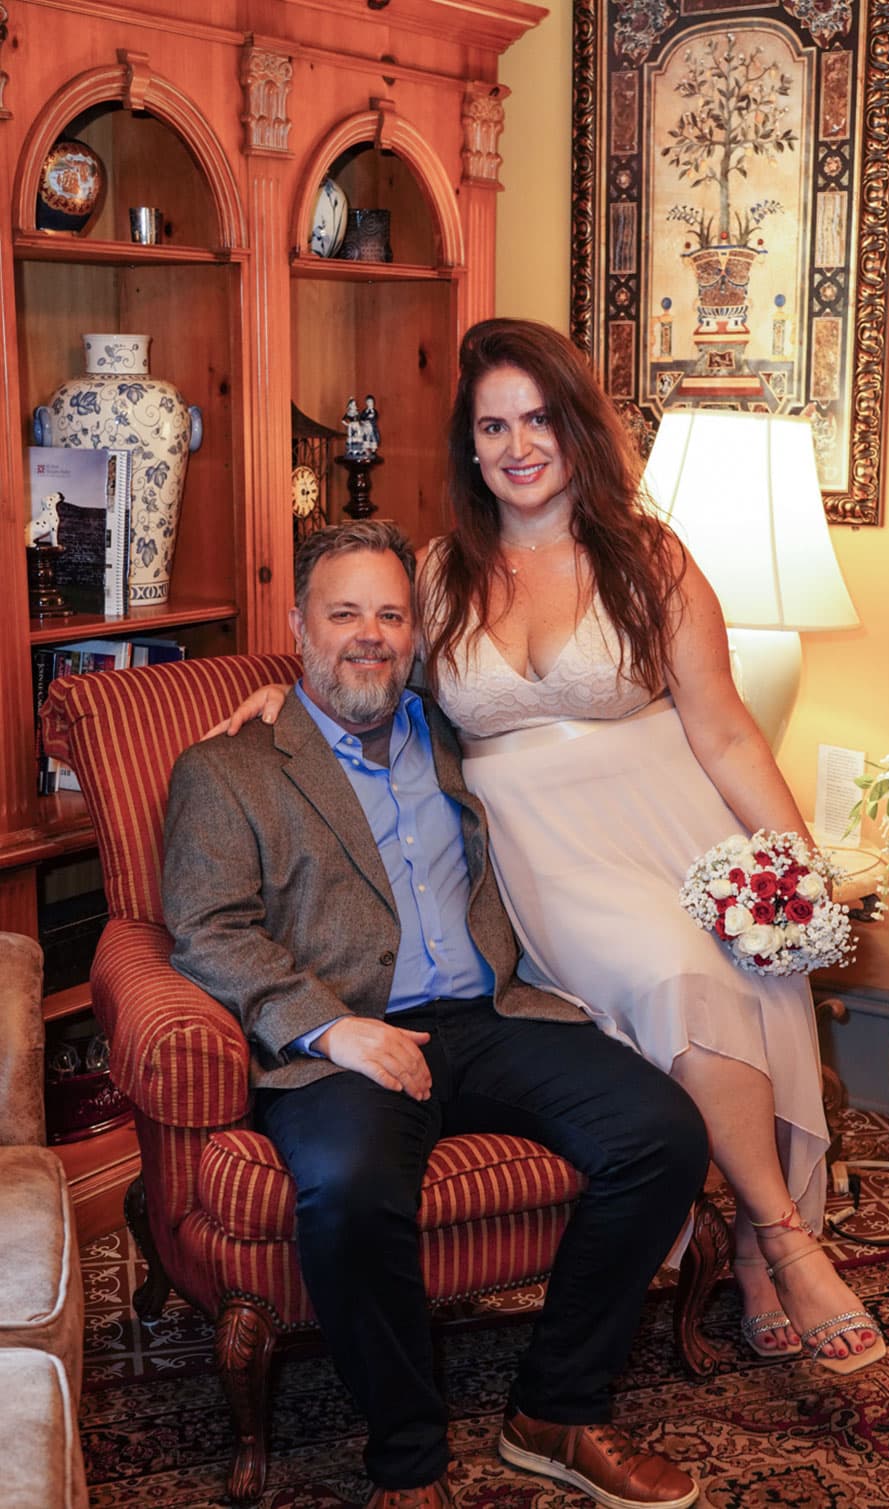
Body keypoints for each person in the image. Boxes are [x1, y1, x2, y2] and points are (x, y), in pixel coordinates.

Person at [223, 320, 886, 1376]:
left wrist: (791, 865)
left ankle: (765, 1245)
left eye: (537, 417)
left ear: (576, 427)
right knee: (671, 975)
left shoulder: (651, 559)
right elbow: (365, 674)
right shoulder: (439, 574)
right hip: (537, 854)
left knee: (718, 977)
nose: (517, 444)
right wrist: (279, 697)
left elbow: (721, 727)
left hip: (668, 821)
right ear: (470, 447)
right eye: (492, 425)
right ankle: (785, 1238)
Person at [163, 519, 709, 1509]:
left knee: (661, 1133)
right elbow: (207, 929)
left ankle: (555, 1408)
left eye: (389, 614)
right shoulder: (229, 767)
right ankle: (407, 1458)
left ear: (417, 633)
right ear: (298, 624)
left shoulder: (454, 727)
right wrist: (332, 1028)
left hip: (487, 1014)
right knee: (348, 1186)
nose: (367, 635)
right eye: (342, 614)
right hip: (344, 1038)